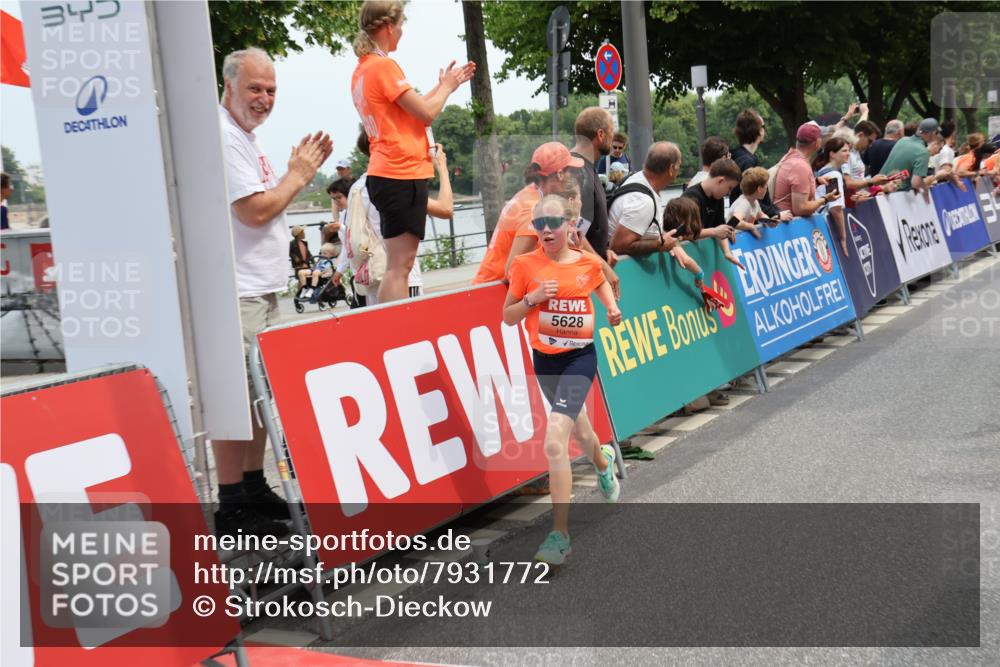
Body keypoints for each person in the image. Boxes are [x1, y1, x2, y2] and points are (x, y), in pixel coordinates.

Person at [215, 47, 332, 537]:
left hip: (261, 286)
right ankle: (231, 503)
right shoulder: (221, 136)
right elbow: (255, 211)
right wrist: (299, 176)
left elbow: (266, 204)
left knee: (258, 395)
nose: (264, 99)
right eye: (255, 89)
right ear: (229, 86)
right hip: (237, 289)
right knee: (236, 396)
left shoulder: (245, 137)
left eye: (271, 90)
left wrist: (291, 178)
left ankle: (251, 486)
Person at [503, 194, 623, 565]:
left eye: (553, 223)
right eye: (539, 224)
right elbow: (508, 316)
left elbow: (597, 278)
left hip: (579, 359)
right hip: (546, 361)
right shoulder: (525, 265)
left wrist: (611, 307)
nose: (546, 230)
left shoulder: (586, 261)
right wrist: (532, 299)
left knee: (556, 439)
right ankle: (603, 462)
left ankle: (559, 536)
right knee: (581, 432)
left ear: (570, 225)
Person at [351, 0, 475, 304]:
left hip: (388, 172)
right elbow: (428, 114)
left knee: (399, 265)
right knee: (400, 267)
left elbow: (415, 111)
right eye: (402, 25)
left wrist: (445, 87)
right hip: (399, 172)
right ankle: (389, 333)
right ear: (389, 26)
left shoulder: (364, 69)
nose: (402, 32)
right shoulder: (383, 66)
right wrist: (445, 87)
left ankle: (390, 329)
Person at [335, 129, 450, 301]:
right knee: (408, 325)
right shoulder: (396, 182)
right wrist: (442, 168)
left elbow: (351, 234)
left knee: (383, 325)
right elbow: (445, 209)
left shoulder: (358, 187)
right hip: (403, 278)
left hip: (374, 273)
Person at [503, 142, 620, 297]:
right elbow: (510, 271)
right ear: (560, 174)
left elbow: (576, 235)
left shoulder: (543, 198)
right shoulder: (534, 208)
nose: (572, 175)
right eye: (570, 170)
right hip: (493, 292)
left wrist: (603, 267)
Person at [608, 141, 683, 258]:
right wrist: (658, 245)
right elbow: (617, 246)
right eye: (679, 165)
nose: (679, 170)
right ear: (671, 169)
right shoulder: (643, 201)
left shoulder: (637, 179)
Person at [568, 107, 614, 266]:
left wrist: (605, 247)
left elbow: (588, 225)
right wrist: (601, 264)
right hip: (582, 272)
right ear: (600, 135)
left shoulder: (584, 167)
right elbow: (573, 231)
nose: (613, 137)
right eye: (611, 131)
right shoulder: (576, 170)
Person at [729, 109, 790, 220]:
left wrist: (772, 216)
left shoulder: (738, 157)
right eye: (763, 126)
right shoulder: (747, 162)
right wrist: (776, 215)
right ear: (760, 131)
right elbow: (747, 200)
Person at [681, 157, 743, 265]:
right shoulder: (691, 197)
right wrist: (714, 231)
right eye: (729, 188)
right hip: (688, 258)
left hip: (703, 258)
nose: (729, 193)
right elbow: (684, 234)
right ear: (720, 181)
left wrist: (727, 252)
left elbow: (720, 227)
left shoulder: (718, 198)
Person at [773, 122, 838, 217]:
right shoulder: (800, 167)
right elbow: (800, 208)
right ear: (817, 142)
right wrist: (825, 199)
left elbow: (794, 187)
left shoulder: (790, 155)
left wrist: (816, 182)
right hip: (792, 227)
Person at [879, 117, 941, 192]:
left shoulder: (903, 140)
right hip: (896, 194)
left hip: (880, 189)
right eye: (937, 133)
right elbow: (916, 184)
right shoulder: (923, 152)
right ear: (933, 133)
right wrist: (933, 178)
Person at [812, 136, 850, 256]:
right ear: (832, 154)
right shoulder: (834, 175)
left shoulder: (821, 171)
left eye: (849, 151)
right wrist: (843, 237)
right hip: (824, 224)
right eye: (844, 151)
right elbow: (836, 209)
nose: (848, 154)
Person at [730, 167, 773, 232]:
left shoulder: (754, 202)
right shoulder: (744, 204)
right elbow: (733, 223)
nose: (766, 188)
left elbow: (760, 215)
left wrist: (769, 221)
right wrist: (752, 227)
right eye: (766, 185)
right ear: (759, 189)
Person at [322, 178, 351, 256]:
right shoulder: (343, 215)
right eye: (334, 198)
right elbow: (346, 247)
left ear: (349, 195)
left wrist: (340, 227)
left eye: (339, 197)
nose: (336, 201)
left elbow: (357, 237)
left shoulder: (359, 213)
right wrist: (339, 267)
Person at [289, 225, 313, 291]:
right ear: (298, 234)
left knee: (305, 278)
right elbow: (289, 252)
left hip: (306, 263)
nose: (304, 234)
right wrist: (294, 257)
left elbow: (308, 253)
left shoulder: (304, 243)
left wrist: (313, 260)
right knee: (301, 278)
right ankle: (299, 293)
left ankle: (301, 293)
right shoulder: (292, 243)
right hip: (298, 265)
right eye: (303, 232)